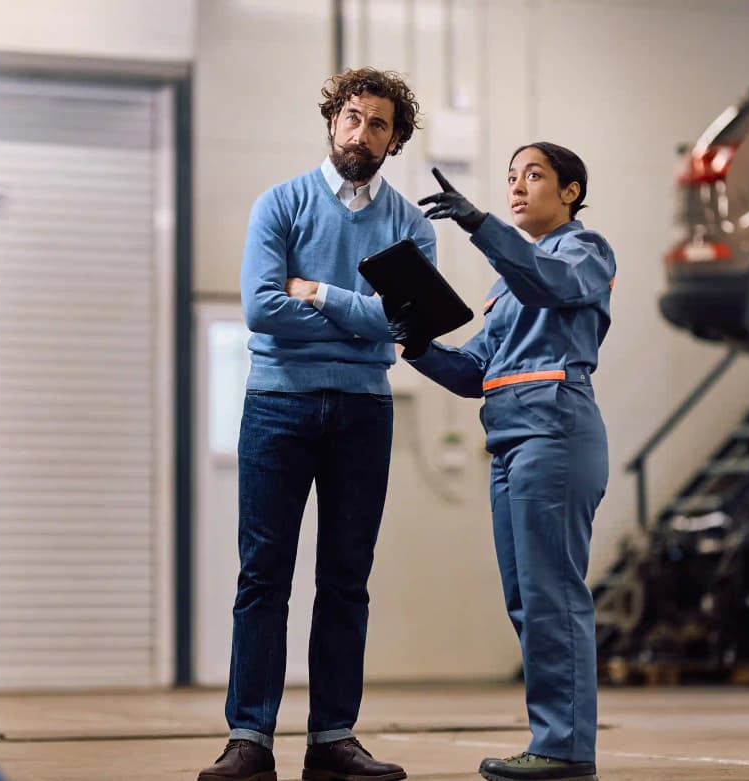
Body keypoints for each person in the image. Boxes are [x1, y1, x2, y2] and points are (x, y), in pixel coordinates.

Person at [197, 68, 435, 781]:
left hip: (365, 412)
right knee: (262, 576)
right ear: (333, 121)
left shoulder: (410, 225)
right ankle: (250, 738)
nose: (362, 132)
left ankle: (333, 738)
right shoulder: (281, 204)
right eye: (353, 117)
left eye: (379, 124)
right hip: (278, 405)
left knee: (346, 579)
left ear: (395, 140)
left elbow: (408, 322)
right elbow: (263, 309)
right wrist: (363, 320)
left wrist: (321, 292)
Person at [388, 143, 615, 781]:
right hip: (509, 440)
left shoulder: (586, 252)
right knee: (525, 598)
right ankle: (554, 740)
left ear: (571, 192)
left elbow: (549, 282)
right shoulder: (504, 286)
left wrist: (478, 224)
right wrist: (417, 343)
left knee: (553, 595)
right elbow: (473, 373)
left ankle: (566, 748)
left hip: (556, 434)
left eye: (534, 176)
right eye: (511, 177)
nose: (517, 187)